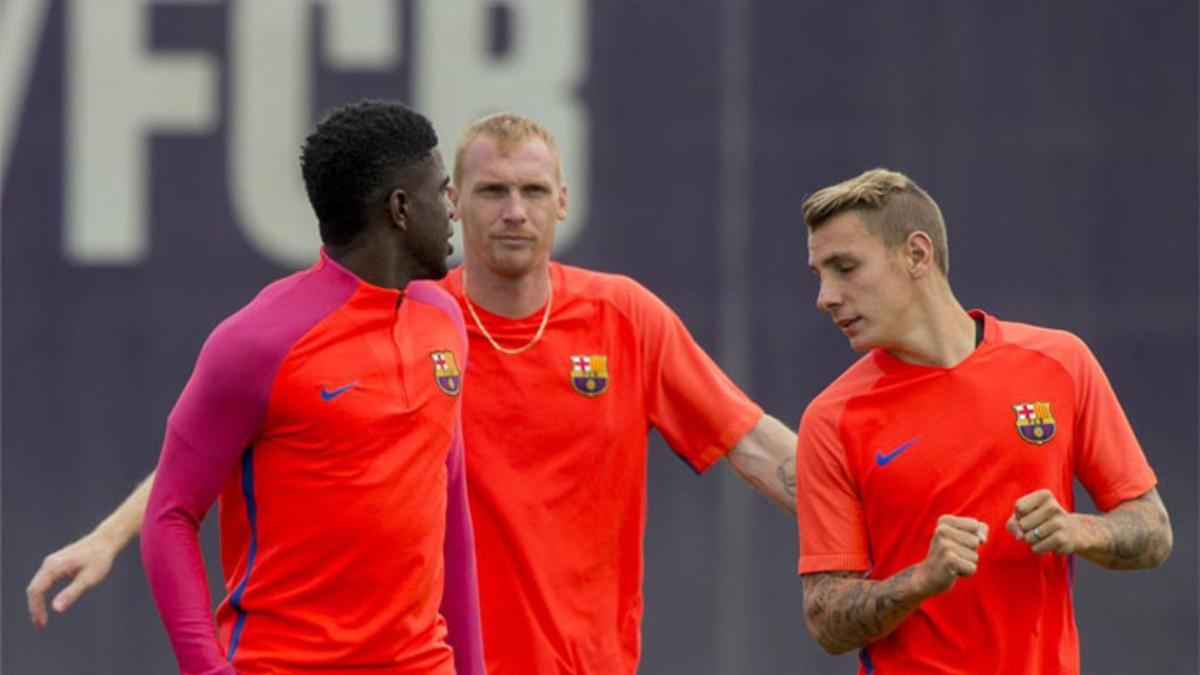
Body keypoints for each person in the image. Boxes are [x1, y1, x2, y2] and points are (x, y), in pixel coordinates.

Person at [28, 112, 797, 674]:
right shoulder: (378, 319)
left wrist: (884, 509)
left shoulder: (619, 317)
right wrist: (111, 534)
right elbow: (210, 455)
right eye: (487, 190)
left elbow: (759, 446)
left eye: (533, 190)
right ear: (440, 202)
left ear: (563, 200)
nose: (511, 211)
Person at [140, 100, 484, 674]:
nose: (454, 209)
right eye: (442, 190)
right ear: (400, 208)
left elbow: (450, 512)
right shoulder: (256, 343)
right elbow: (169, 517)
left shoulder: (443, 319)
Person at [794, 167, 1173, 673]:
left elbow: (1153, 531)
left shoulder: (1061, 363)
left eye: (845, 267)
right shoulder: (830, 419)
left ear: (916, 254)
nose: (826, 297)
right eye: (820, 276)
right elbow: (825, 621)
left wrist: (1078, 529)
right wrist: (922, 579)